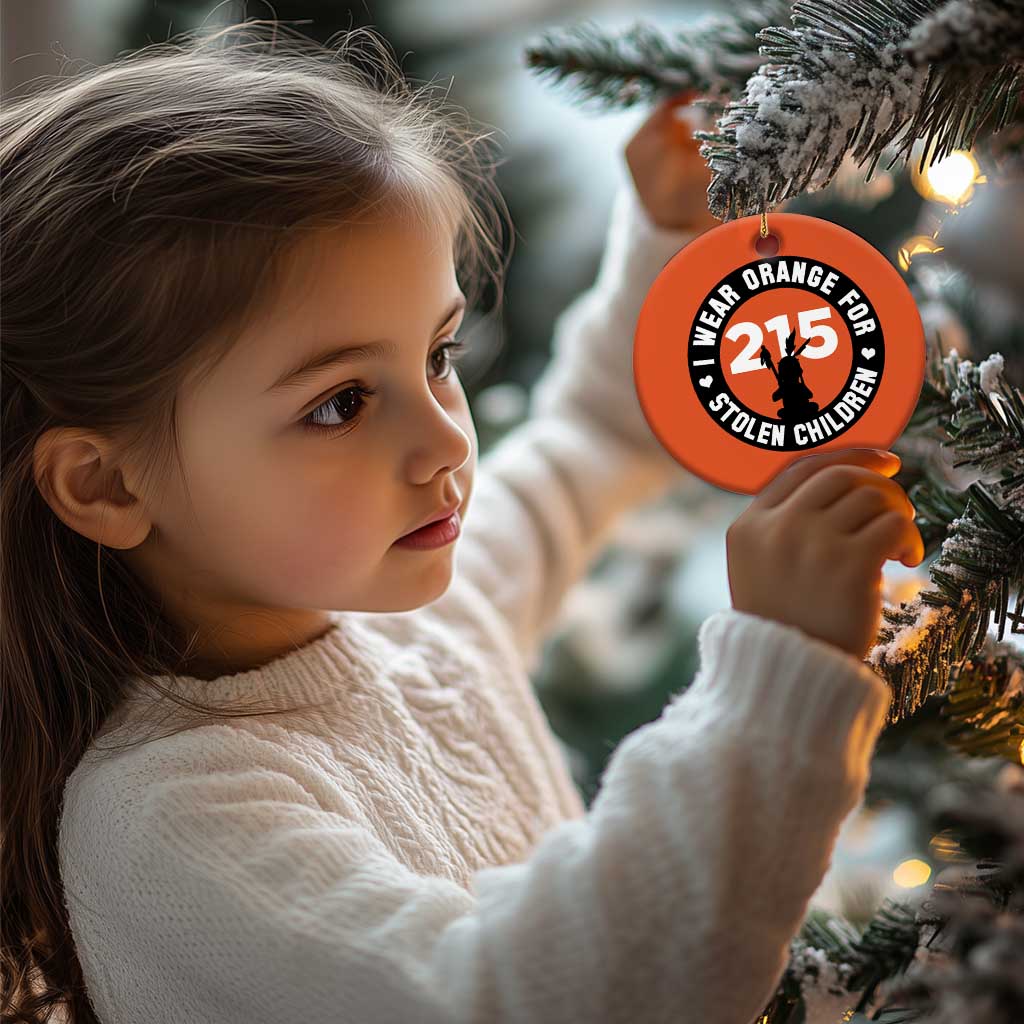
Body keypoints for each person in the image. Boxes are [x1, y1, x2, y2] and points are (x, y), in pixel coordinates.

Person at [0, 20, 923, 1024]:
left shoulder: (424, 620)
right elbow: (533, 1000)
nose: (443, 442)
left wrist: (669, 240)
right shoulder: (170, 817)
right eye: (340, 402)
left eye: (436, 357)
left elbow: (594, 437)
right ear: (106, 487)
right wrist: (776, 675)